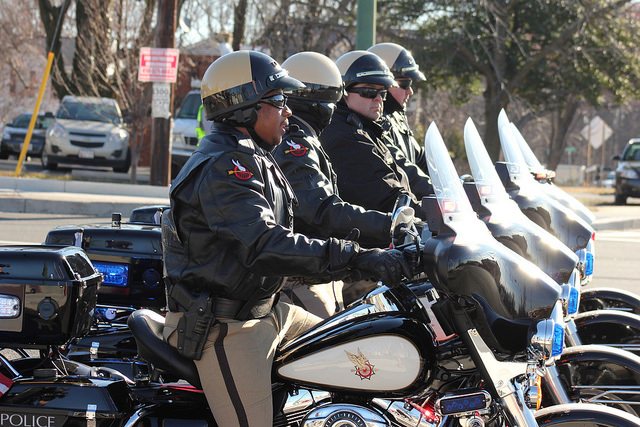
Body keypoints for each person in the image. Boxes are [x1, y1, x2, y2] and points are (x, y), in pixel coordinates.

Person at [161, 50, 410, 427]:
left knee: (360, 358)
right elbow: (267, 244)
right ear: (243, 108)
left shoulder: (253, 156)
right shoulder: (224, 169)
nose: (288, 110)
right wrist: (356, 257)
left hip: (268, 311)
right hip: (226, 328)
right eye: (278, 101)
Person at [272, 51, 393, 317]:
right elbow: (321, 210)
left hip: (321, 269)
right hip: (300, 277)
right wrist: (389, 225)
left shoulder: (307, 138)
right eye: (332, 99)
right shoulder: (296, 144)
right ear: (318, 101)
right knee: (334, 353)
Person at [319, 50, 430, 214]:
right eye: (369, 92)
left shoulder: (367, 128)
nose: (378, 99)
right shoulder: (343, 136)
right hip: (366, 235)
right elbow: (386, 195)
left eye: (383, 93)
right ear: (344, 92)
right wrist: (431, 212)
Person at [368, 42, 429, 174]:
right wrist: (429, 187)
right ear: (383, 83)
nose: (410, 91)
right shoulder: (374, 121)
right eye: (405, 84)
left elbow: (419, 157)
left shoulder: (396, 116)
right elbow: (400, 166)